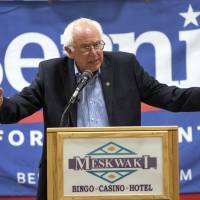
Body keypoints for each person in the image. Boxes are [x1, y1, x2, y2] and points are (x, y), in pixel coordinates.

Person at [1, 17, 200, 200]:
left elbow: (170, 97)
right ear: (70, 51)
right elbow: (18, 107)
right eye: (86, 47)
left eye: (98, 44)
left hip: (121, 171)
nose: (95, 53)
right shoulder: (51, 73)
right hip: (70, 171)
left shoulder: (125, 66)